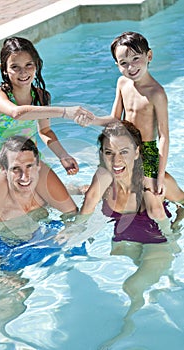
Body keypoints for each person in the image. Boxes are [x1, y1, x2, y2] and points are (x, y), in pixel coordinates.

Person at [0, 36, 94, 234]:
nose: (23, 72)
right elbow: (17, 113)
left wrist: (63, 155)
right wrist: (65, 112)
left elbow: (45, 131)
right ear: (4, 69)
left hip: (32, 162)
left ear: (36, 65)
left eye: (28, 65)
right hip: (2, 167)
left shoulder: (41, 96)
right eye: (15, 67)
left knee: (70, 211)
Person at [79, 120, 181, 348]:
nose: (116, 161)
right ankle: (164, 284)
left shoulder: (157, 182)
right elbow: (83, 217)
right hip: (123, 240)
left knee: (131, 287)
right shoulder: (102, 181)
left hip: (159, 244)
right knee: (112, 284)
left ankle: (127, 329)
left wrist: (176, 229)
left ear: (137, 152)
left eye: (124, 152)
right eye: (109, 152)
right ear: (102, 154)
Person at [82, 31, 184, 233]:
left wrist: (160, 175)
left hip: (146, 150)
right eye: (123, 63)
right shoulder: (122, 83)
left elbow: (163, 136)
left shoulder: (156, 93)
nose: (131, 67)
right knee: (100, 182)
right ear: (117, 65)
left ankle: (169, 237)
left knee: (154, 204)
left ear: (149, 56)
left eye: (136, 59)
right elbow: (114, 119)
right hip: (122, 147)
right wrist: (92, 120)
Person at [0, 136, 78, 236]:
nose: (25, 177)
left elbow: (73, 212)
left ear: (39, 165)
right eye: (16, 169)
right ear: (4, 170)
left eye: (29, 166)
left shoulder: (44, 196)